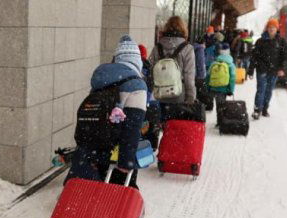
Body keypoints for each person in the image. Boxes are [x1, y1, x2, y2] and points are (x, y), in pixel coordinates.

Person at [68, 35, 148, 188]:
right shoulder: (137, 86)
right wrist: (126, 162)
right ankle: (110, 206)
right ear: (137, 61)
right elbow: (132, 127)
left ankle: (80, 199)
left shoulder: (102, 79)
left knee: (89, 179)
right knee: (116, 192)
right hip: (114, 146)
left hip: (92, 141)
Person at [148, 16, 197, 119]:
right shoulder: (187, 49)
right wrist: (191, 98)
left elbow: (150, 70)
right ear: (183, 29)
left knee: (162, 126)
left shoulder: (157, 47)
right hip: (179, 95)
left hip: (160, 95)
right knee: (175, 129)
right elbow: (189, 77)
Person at [252, 19, 287, 119]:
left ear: (277, 29)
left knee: (269, 91)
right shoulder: (260, 41)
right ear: (267, 29)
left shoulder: (282, 41)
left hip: (274, 70)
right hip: (262, 70)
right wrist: (251, 70)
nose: (271, 29)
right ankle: (257, 110)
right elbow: (254, 56)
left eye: (273, 27)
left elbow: (285, 57)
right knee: (261, 90)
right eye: (270, 27)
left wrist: (282, 68)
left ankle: (264, 109)